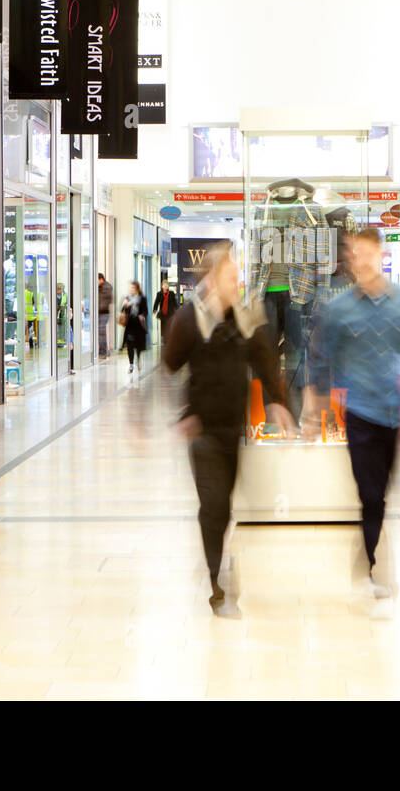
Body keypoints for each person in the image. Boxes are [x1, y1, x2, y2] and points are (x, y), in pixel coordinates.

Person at [161, 243, 294, 617]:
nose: (237, 284)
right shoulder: (191, 317)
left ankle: (218, 562)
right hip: (203, 429)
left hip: (233, 428)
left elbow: (265, 359)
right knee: (214, 505)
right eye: (231, 278)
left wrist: (278, 402)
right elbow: (170, 363)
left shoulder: (243, 316)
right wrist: (184, 412)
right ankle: (217, 586)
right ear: (213, 279)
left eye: (238, 278)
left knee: (225, 504)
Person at [305, 228, 400, 604]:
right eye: (354, 254)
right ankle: (368, 566)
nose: (359, 261)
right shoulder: (339, 309)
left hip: (393, 414)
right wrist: (314, 410)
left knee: (381, 494)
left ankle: (366, 551)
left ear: (381, 254)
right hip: (360, 415)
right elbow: (321, 359)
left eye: (366, 253)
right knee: (370, 494)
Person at [120, 281, 149, 374]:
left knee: (138, 345)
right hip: (130, 324)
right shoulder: (127, 298)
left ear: (137, 289)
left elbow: (145, 311)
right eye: (130, 287)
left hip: (138, 324)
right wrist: (125, 305)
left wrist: (142, 315)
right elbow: (123, 311)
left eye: (133, 288)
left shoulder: (142, 298)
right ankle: (131, 364)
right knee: (130, 345)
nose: (131, 289)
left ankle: (138, 359)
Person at [153, 279, 180, 345]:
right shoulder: (159, 294)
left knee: (169, 326)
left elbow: (174, 302)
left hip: (170, 313)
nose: (166, 286)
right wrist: (155, 309)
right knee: (163, 327)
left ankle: (169, 340)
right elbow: (156, 302)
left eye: (167, 285)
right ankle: (165, 340)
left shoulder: (171, 293)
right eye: (164, 285)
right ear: (162, 286)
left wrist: (178, 309)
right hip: (163, 313)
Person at [97, 273, 113, 358]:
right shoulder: (100, 287)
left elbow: (104, 302)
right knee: (100, 332)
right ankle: (104, 350)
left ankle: (103, 352)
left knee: (101, 332)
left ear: (101, 279)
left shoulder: (106, 287)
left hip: (103, 313)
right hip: (100, 313)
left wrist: (97, 309)